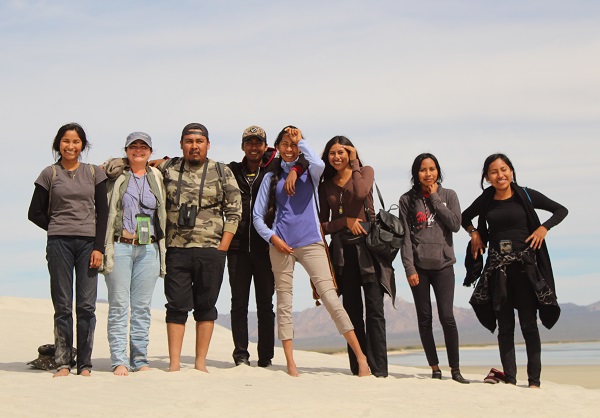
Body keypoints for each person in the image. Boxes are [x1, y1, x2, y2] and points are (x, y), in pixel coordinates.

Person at [105, 123, 242, 372]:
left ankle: (200, 364)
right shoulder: (169, 167)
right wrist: (120, 161)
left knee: (206, 307)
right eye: (189, 141)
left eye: (199, 141)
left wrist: (223, 248)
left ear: (208, 144)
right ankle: (175, 364)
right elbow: (141, 163)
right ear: (181, 144)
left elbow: (234, 212)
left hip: (211, 249)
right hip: (176, 248)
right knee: (176, 307)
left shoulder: (222, 172)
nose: (194, 146)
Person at [253, 126, 370, 377]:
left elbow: (317, 161)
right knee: (284, 302)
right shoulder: (269, 177)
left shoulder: (311, 173)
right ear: (277, 147)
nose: (289, 148)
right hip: (281, 245)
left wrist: (301, 141)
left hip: (311, 242)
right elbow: (257, 217)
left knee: (329, 297)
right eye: (284, 143)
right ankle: (291, 364)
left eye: (294, 144)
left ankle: (361, 358)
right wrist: (273, 239)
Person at [462, 153, 568, 388]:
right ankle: (510, 379)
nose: (500, 175)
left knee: (529, 324)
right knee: (505, 326)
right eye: (494, 172)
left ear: (511, 171)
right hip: (498, 270)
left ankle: (533, 382)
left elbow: (561, 210)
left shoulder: (526, 195)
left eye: (504, 169)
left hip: (524, 269)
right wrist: (475, 233)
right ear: (487, 178)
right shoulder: (486, 199)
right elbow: (464, 217)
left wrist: (543, 228)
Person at [28, 123, 108, 377]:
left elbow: (104, 213)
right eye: (66, 141)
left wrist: (99, 247)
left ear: (82, 145)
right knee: (63, 305)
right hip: (59, 244)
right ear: (58, 144)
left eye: (75, 142)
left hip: (88, 245)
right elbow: (34, 213)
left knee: (86, 306)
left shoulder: (94, 173)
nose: (70, 146)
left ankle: (84, 364)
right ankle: (63, 362)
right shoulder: (49, 173)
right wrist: (56, 227)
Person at [227, 125, 307, 367]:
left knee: (265, 303)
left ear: (265, 147)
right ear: (243, 146)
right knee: (238, 302)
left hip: (265, 248)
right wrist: (165, 159)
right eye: (249, 142)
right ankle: (241, 355)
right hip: (238, 247)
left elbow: (300, 159)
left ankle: (265, 358)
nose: (253, 147)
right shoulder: (231, 171)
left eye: (258, 143)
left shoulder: (272, 169)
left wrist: (295, 165)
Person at [318, 135, 391, 377]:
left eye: (342, 152)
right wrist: (345, 221)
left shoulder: (366, 171)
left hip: (369, 250)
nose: (337, 157)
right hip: (342, 252)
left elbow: (360, 193)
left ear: (351, 153)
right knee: (351, 311)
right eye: (333, 153)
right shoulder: (326, 184)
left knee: (375, 311)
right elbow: (322, 225)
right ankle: (358, 365)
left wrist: (356, 161)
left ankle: (379, 369)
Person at [398, 153, 469, 383]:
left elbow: (456, 225)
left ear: (438, 171)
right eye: (422, 169)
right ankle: (435, 368)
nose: (428, 173)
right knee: (425, 318)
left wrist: (436, 199)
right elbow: (406, 238)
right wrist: (409, 268)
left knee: (447, 317)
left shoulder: (449, 195)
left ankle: (455, 370)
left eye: (432, 169)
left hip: (444, 266)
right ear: (416, 174)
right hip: (420, 268)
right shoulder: (407, 200)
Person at [101, 132, 166, 376]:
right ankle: (119, 359)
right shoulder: (116, 175)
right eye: (133, 146)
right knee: (119, 305)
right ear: (126, 150)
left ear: (150, 151)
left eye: (143, 147)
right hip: (120, 245)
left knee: (142, 307)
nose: (138, 150)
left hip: (149, 247)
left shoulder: (157, 177)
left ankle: (140, 358)